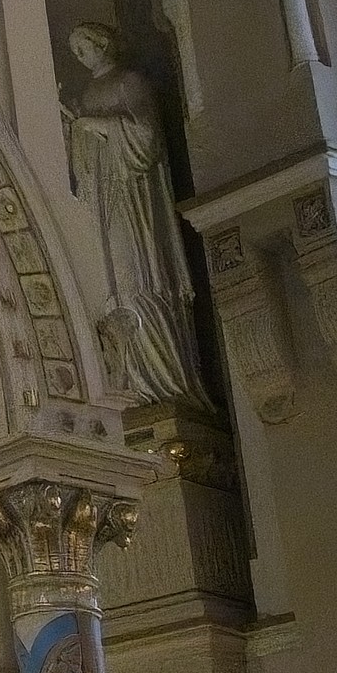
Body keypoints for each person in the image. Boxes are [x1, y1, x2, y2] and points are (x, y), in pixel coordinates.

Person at [62, 22, 203, 407]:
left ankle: (162, 380)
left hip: (133, 195)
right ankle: (128, 376)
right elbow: (80, 166)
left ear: (102, 42)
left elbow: (147, 139)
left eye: (84, 46)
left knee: (135, 273)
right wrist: (76, 131)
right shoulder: (89, 92)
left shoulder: (130, 82)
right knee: (110, 281)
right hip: (101, 197)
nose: (82, 55)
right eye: (75, 52)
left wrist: (98, 125)